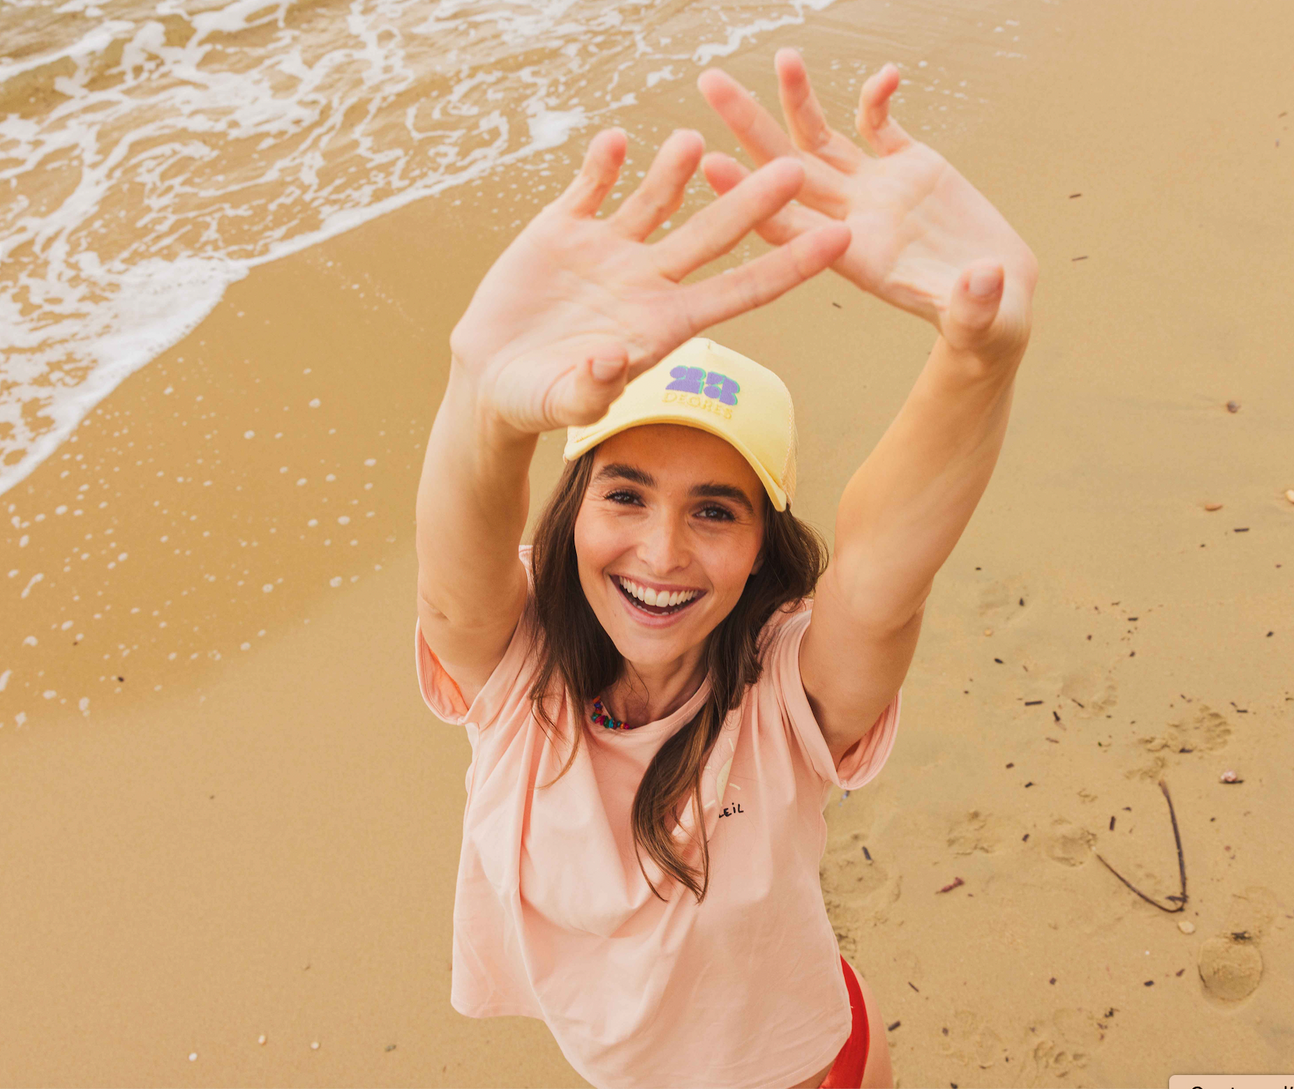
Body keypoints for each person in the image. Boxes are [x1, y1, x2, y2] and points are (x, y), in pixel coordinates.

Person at [413, 48, 1036, 1089]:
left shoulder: (785, 697)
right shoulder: (517, 682)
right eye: (625, 494)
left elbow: (885, 576)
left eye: (715, 510)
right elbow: (455, 573)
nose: (661, 554)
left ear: (761, 551)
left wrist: (980, 360)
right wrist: (479, 393)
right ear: (572, 514)